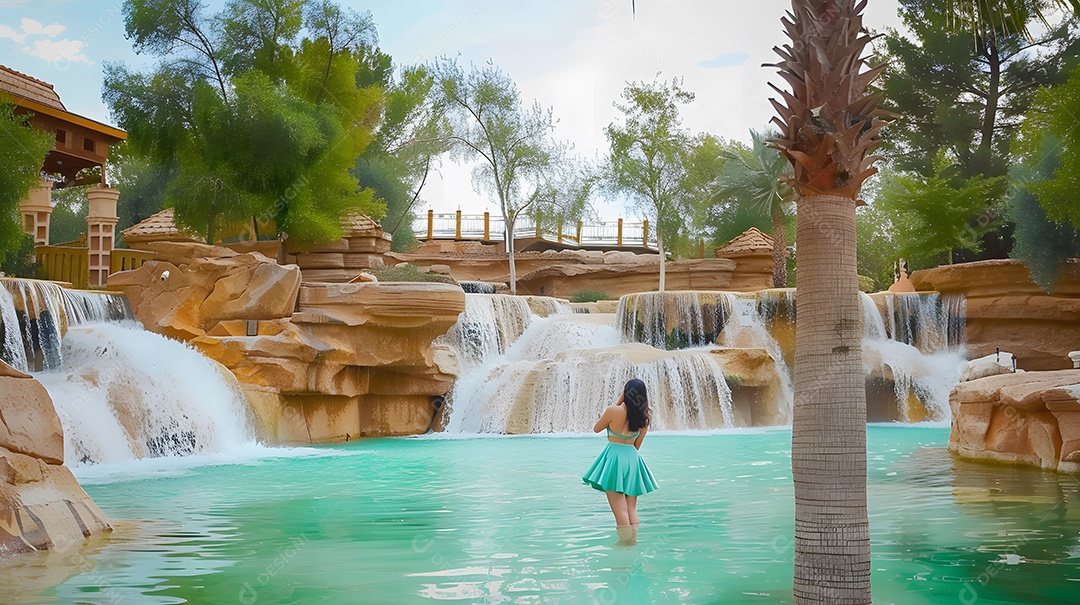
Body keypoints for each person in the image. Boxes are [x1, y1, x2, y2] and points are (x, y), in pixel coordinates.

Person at [582, 379, 658, 540]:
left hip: (614, 460)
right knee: (631, 510)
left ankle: (625, 546)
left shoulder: (613, 411)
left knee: (620, 511)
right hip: (633, 460)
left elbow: (596, 429)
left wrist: (619, 401)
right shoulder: (644, 418)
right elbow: (636, 446)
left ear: (625, 393)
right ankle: (634, 540)